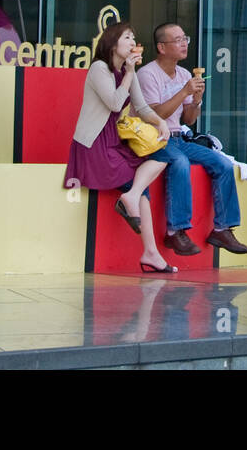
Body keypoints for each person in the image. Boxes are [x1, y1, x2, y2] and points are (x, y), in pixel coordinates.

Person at [64, 20, 177, 273]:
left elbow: (143, 107)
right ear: (113, 42)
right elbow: (115, 104)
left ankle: (133, 200)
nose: (132, 42)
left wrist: (161, 122)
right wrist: (128, 73)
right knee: (142, 189)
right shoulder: (99, 69)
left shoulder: (129, 72)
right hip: (94, 144)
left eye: (133, 38)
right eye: (127, 37)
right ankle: (151, 252)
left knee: (164, 153)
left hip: (115, 140)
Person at [137, 22, 247, 255]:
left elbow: (188, 119)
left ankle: (223, 229)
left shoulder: (185, 74)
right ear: (161, 47)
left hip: (178, 138)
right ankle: (175, 232)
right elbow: (156, 116)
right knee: (179, 163)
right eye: (177, 39)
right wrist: (185, 92)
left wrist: (196, 100)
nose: (184, 43)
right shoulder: (147, 74)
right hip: (155, 138)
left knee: (222, 163)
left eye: (184, 38)